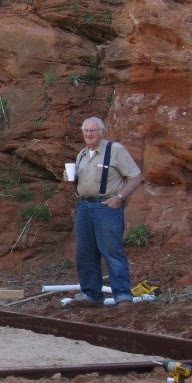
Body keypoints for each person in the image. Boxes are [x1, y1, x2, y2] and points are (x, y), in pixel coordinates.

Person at [70, 116, 142, 307]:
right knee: (85, 252)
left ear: (102, 132)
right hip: (84, 206)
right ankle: (91, 295)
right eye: (86, 131)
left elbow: (135, 176)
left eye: (93, 130)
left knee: (112, 251)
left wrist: (119, 197)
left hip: (106, 207)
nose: (89, 134)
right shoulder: (82, 154)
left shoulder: (115, 150)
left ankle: (123, 296)